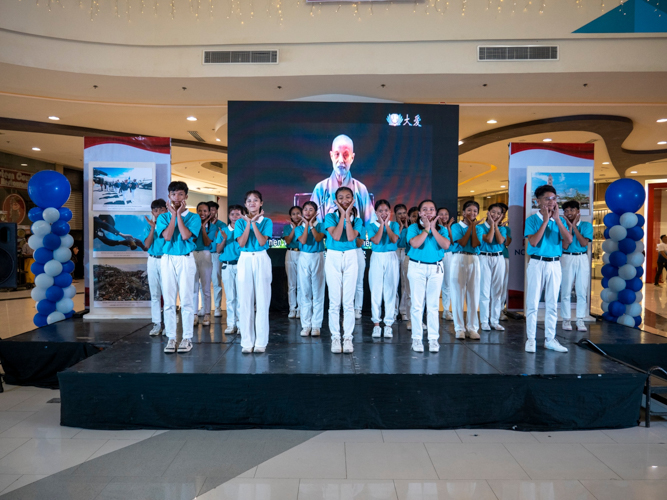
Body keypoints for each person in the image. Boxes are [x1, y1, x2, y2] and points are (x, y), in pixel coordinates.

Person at [524, 185, 573, 353]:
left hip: (554, 263)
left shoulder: (559, 220)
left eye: (554, 198)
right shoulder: (532, 220)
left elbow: (569, 240)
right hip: (537, 263)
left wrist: (558, 220)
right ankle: (531, 339)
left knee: (552, 303)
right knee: (533, 303)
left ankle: (550, 339)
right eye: (547, 199)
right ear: (538, 201)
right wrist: (545, 221)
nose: (551, 202)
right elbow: (533, 242)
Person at [156, 181, 202, 354]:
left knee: (187, 299)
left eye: (180, 194)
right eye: (173, 194)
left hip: (185, 258)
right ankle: (171, 338)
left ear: (186, 197)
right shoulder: (163, 217)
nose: (177, 197)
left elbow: (184, 235)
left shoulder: (194, 217)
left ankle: (187, 338)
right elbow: (167, 237)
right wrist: (174, 215)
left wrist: (179, 215)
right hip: (167, 259)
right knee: (168, 300)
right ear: (169, 196)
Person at [407, 200, 450, 352]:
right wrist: (426, 229)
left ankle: (433, 339)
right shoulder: (413, 227)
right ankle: (417, 339)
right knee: (417, 305)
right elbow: (415, 244)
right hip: (417, 267)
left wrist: (433, 228)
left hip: (435, 268)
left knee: (432, 306)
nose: (428, 212)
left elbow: (445, 245)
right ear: (419, 213)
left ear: (435, 213)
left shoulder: (442, 229)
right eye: (424, 209)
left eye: (431, 209)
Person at [324, 186, 363, 354]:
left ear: (353, 198)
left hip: (350, 256)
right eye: (341, 197)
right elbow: (337, 236)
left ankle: (347, 338)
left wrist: (347, 215)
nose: (345, 200)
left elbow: (351, 236)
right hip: (332, 256)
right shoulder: (330, 217)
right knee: (334, 302)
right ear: (336, 200)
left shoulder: (358, 220)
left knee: (348, 302)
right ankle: (335, 338)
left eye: (348, 197)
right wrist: (342, 215)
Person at [235, 190, 273, 354]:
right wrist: (248, 223)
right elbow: (242, 243)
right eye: (249, 200)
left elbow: (262, 240)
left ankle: (261, 342)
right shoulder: (239, 222)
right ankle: (247, 342)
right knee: (245, 302)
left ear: (261, 203)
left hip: (261, 258)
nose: (252, 203)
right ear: (245, 204)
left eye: (256, 200)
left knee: (263, 302)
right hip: (245, 259)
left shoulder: (267, 221)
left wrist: (255, 223)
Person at [311, 134, 376, 227]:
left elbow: (371, 227)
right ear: (331, 156)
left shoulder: (361, 189)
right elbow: (314, 226)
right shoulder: (320, 189)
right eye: (337, 154)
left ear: (352, 158)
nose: (341, 160)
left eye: (345, 155)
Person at [368, 200, 400, 338]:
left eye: (386, 210)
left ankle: (388, 324)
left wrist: (386, 224)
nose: (383, 213)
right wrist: (381, 224)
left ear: (390, 212)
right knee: (376, 290)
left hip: (391, 257)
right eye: (380, 211)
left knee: (391, 290)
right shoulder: (371, 226)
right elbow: (375, 240)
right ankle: (376, 323)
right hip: (377, 257)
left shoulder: (395, 225)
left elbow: (394, 240)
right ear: (376, 212)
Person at [450, 201, 482, 339]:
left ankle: (473, 328)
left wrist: (474, 227)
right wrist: (470, 227)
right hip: (459, 258)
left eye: (475, 211)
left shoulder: (479, 228)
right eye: (469, 210)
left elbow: (475, 243)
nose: (472, 213)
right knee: (458, 294)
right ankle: (459, 328)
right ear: (463, 212)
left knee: (474, 295)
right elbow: (462, 243)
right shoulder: (456, 226)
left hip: (474, 259)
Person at [560, 200, 593, 332]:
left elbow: (584, 243)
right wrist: (568, 227)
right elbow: (565, 245)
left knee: (581, 290)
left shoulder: (586, 225)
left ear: (578, 212)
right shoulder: (561, 225)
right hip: (567, 257)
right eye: (566, 211)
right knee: (566, 290)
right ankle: (566, 319)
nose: (569, 213)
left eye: (572, 210)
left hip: (582, 257)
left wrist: (574, 227)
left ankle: (580, 319)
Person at [295, 201, 326, 337]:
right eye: (305, 209)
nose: (307, 212)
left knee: (318, 292)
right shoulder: (298, 227)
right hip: (304, 257)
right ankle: (306, 325)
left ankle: (316, 325)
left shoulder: (321, 225)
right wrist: (306, 225)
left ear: (316, 212)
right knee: (305, 292)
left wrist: (311, 225)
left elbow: (318, 238)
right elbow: (302, 241)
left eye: (311, 209)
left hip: (318, 257)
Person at [477, 203, 507, 331]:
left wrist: (496, 225)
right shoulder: (480, 227)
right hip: (484, 257)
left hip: (499, 258)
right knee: (484, 291)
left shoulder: (503, 229)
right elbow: (489, 239)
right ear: (488, 212)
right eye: (493, 212)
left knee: (497, 290)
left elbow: (500, 241)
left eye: (498, 213)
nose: (495, 215)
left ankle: (495, 320)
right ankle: (484, 321)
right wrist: (493, 226)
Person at [215, 205, 243, 334]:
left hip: (241, 265)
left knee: (241, 296)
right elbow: (218, 250)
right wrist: (225, 238)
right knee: (231, 297)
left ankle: (241, 324)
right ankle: (231, 324)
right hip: (227, 265)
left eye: (238, 214)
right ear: (229, 216)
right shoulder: (223, 231)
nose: (235, 217)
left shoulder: (244, 230)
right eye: (232, 214)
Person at [143, 199, 168, 336]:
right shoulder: (149, 226)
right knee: (155, 293)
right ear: (152, 212)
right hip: (152, 260)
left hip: (165, 259)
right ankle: (157, 323)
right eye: (155, 210)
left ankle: (168, 324)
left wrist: (160, 227)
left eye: (161, 210)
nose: (158, 213)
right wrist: (153, 228)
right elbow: (146, 245)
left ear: (166, 210)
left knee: (167, 293)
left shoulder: (170, 224)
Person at [193, 202, 217, 327]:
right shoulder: (193, 224)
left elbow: (207, 242)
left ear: (209, 212)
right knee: (193, 287)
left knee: (206, 287)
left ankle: (207, 314)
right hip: (192, 255)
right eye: (200, 211)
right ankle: (194, 315)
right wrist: (198, 226)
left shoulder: (212, 227)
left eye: (205, 211)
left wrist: (203, 228)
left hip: (205, 254)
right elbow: (192, 240)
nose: (202, 213)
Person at [282, 206, 303, 319]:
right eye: (293, 214)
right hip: (290, 253)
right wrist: (294, 228)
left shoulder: (305, 226)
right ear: (290, 216)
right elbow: (288, 240)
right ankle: (292, 308)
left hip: (302, 254)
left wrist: (299, 228)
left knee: (301, 284)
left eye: (298, 213)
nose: (296, 216)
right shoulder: (287, 227)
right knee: (291, 284)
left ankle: (300, 308)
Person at [207, 201, 226, 317]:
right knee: (203, 283)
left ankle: (217, 307)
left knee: (216, 280)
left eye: (213, 210)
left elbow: (217, 238)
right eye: (209, 210)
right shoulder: (201, 223)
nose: (211, 212)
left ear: (216, 211)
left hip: (216, 254)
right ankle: (204, 307)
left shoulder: (221, 225)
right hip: (203, 253)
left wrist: (213, 227)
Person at [437, 207, 455, 321]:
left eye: (446, 214)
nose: (444, 216)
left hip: (448, 255)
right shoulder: (433, 226)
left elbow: (452, 242)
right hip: (436, 255)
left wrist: (447, 228)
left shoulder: (452, 227)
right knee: (435, 283)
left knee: (447, 283)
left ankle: (446, 310)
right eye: (441, 214)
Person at [404, 206, 419, 330]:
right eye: (413, 216)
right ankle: (410, 319)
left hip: (424, 262)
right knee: (410, 292)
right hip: (410, 260)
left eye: (417, 215)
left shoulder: (424, 228)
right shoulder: (410, 229)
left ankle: (418, 320)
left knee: (421, 295)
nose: (415, 218)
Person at [394, 204, 409, 321]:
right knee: (394, 282)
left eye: (404, 213)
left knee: (405, 282)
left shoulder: (412, 226)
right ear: (395, 215)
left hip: (406, 252)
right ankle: (393, 311)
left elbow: (411, 240)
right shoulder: (393, 225)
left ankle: (403, 310)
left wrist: (406, 226)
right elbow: (394, 239)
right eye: (399, 213)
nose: (402, 215)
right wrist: (400, 226)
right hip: (394, 252)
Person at [498, 203, 511, 320]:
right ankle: (488, 310)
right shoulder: (484, 226)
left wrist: (503, 229)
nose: (500, 215)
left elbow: (507, 243)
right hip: (489, 257)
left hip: (504, 256)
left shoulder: (506, 228)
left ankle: (500, 309)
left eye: (502, 213)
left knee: (503, 285)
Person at [354, 232, 366, 319]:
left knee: (359, 283)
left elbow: (359, 243)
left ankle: (358, 308)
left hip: (358, 253)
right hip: (346, 251)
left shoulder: (359, 223)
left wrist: (350, 236)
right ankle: (347, 308)